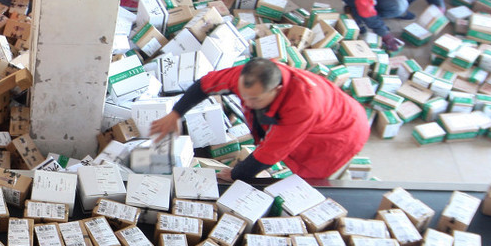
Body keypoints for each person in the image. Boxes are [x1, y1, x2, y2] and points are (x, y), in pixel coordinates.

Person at [148, 58, 370, 183]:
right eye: (243, 96)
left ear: (278, 90)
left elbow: (269, 154)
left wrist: (236, 174)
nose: (247, 103)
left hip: (340, 133)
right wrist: (175, 113)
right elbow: (205, 85)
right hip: (324, 112)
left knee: (313, 179)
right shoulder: (248, 76)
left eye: (254, 99)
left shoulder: (302, 106)